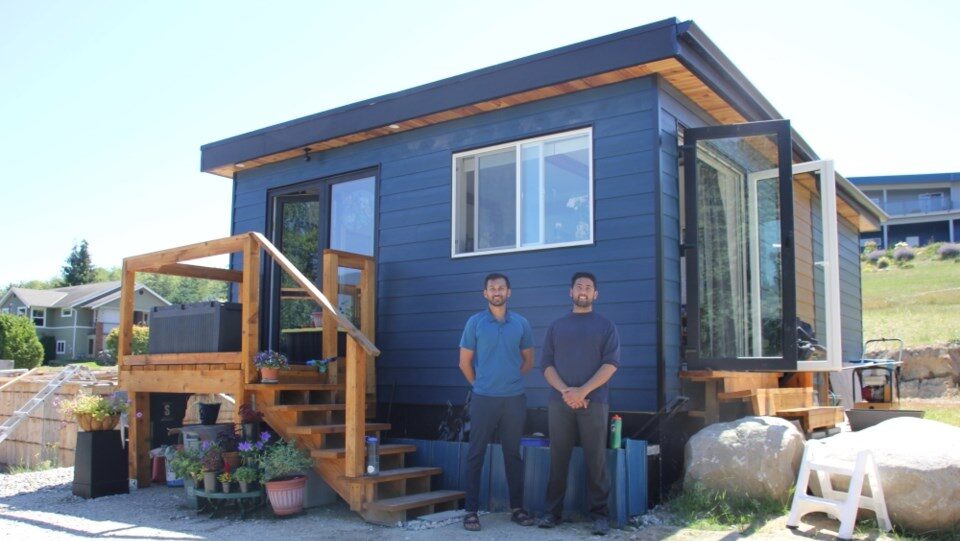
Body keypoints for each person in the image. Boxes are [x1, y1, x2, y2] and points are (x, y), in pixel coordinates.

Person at [539, 271, 620, 535]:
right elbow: (547, 366)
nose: (583, 290)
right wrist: (567, 392)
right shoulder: (557, 326)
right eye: (578, 286)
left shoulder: (606, 326)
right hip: (559, 402)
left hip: (595, 403)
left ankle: (600, 516)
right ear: (570, 292)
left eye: (588, 287)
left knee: (595, 459)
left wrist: (583, 391)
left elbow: (610, 365)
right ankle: (552, 513)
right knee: (558, 458)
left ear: (595, 294)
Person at [458, 273, 536, 531]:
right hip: (483, 399)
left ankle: (517, 508)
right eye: (492, 288)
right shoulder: (475, 323)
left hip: (514, 400)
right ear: (485, 293)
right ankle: (470, 511)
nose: (497, 292)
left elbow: (528, 361)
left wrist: (509, 380)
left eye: (501, 288)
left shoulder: (522, 323)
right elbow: (464, 362)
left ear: (509, 292)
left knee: (513, 455)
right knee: (476, 453)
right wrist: (481, 385)